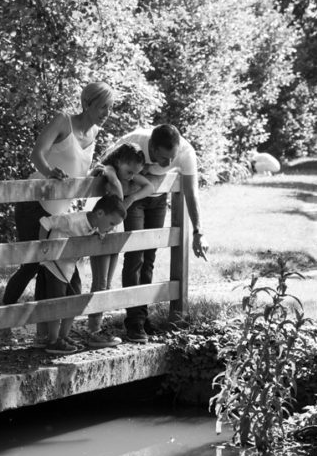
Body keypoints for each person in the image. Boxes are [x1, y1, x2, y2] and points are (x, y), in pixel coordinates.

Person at [1, 82, 114, 321]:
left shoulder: (94, 133)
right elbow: (37, 154)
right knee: (31, 264)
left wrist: (93, 176)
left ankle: (48, 331)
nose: (107, 113)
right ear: (86, 104)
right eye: (103, 107)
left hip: (61, 212)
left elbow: (76, 173)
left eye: (110, 108)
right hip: (35, 203)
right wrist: (50, 171)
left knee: (62, 267)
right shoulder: (63, 121)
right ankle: (1, 320)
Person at [100, 123, 209, 343]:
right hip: (134, 199)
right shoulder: (134, 142)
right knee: (135, 255)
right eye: (163, 159)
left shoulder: (186, 153)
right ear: (151, 147)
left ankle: (142, 315)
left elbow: (191, 190)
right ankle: (134, 323)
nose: (169, 164)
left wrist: (198, 230)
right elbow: (103, 164)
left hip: (158, 199)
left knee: (150, 255)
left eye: (172, 158)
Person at [75, 142, 155, 349]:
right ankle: (93, 331)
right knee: (100, 282)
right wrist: (120, 192)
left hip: (113, 232)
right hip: (101, 232)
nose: (130, 176)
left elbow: (150, 186)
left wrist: (130, 200)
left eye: (134, 173)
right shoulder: (109, 170)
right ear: (119, 161)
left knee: (108, 283)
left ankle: (98, 328)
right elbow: (111, 178)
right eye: (129, 171)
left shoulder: (125, 174)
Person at [36, 193, 126, 355]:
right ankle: (53, 340)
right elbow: (46, 222)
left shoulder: (94, 225)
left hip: (71, 265)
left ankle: (64, 336)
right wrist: (44, 246)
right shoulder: (72, 221)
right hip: (55, 266)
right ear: (100, 213)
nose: (112, 228)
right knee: (58, 302)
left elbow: (89, 233)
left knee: (76, 299)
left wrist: (96, 234)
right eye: (111, 223)